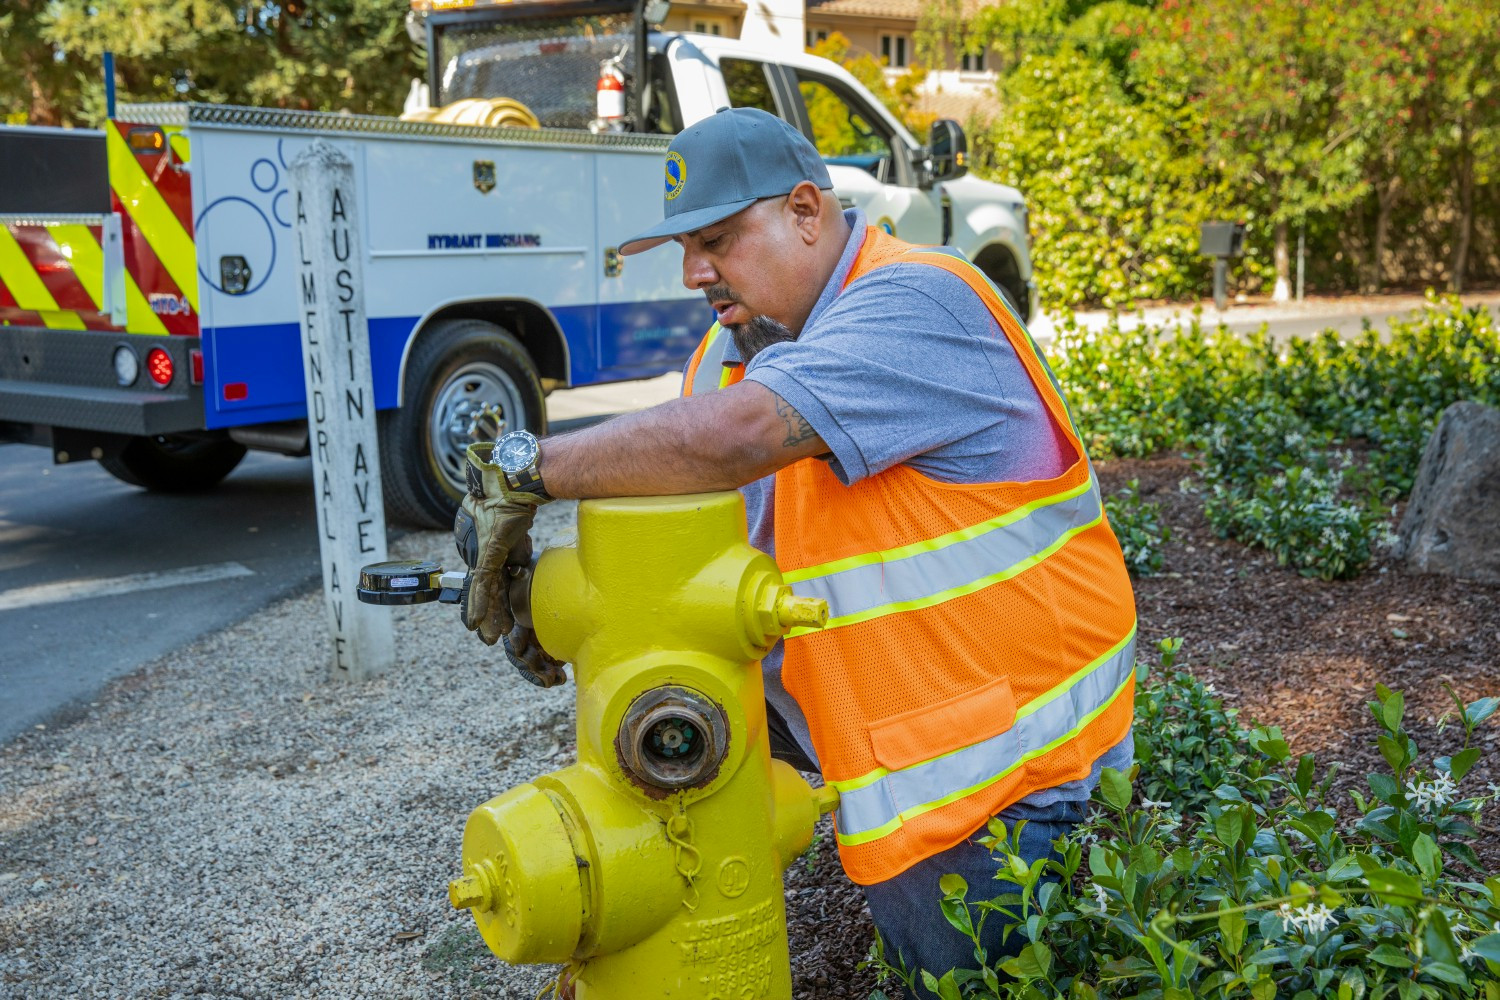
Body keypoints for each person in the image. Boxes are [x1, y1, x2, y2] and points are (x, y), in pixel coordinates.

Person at [461, 107, 1138, 996]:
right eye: (685, 246)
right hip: (904, 730)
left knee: (954, 981)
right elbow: (705, 531)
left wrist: (525, 467)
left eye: (717, 240)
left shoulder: (921, 300)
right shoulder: (734, 349)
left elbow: (735, 439)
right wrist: (574, 612)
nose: (694, 271)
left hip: (1005, 773)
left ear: (808, 212)